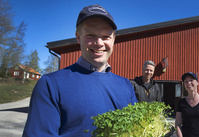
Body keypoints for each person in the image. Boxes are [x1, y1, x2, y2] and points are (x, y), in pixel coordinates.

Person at [23, 4, 137, 137]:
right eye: (91, 35)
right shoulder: (50, 84)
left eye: (106, 36)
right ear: (78, 37)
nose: (99, 42)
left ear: (114, 39)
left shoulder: (126, 85)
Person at [175, 72, 199, 137]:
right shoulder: (181, 102)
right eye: (186, 81)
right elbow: (177, 124)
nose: (189, 83)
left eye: (191, 80)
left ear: (197, 83)